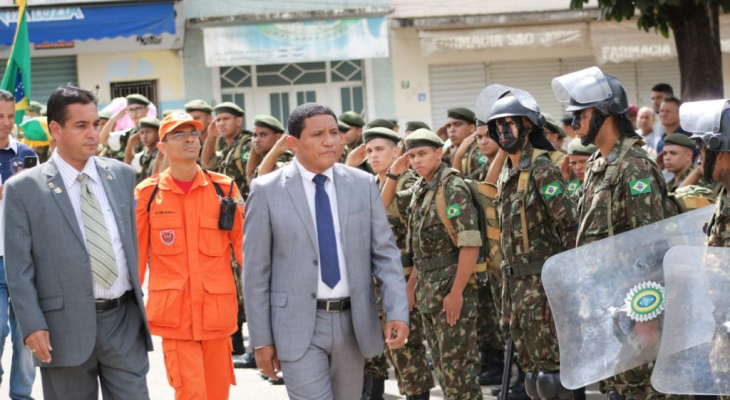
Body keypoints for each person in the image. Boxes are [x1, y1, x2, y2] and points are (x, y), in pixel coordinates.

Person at [243, 103, 408, 399]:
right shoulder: (267, 190)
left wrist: (397, 311)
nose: (330, 141)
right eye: (318, 134)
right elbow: (255, 273)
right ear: (293, 143)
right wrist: (261, 340)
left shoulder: (362, 184)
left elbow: (385, 254)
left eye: (334, 132)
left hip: (353, 322)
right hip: (296, 325)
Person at [4, 85, 152, 399]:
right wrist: (32, 325)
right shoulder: (24, 189)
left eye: (95, 124)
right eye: (81, 126)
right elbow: (18, 269)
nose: (92, 134)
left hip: (122, 322)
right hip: (62, 329)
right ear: (55, 129)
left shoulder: (122, 175)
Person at [553, 67, 676, 400]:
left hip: (635, 308)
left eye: (581, 113)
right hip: (607, 306)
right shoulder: (597, 163)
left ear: (605, 114)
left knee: (640, 391)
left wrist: (647, 318)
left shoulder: (635, 166)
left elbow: (652, 244)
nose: (574, 120)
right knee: (617, 391)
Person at [135, 112, 242, 399]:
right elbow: (136, 256)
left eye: (193, 133)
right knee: (191, 393)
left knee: (217, 393)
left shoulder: (225, 189)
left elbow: (247, 249)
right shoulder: (147, 194)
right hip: (175, 317)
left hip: (216, 314)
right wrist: (130, 308)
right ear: (162, 147)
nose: (189, 139)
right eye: (179, 134)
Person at [487, 89, 578, 400]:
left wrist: (561, 291)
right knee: (531, 375)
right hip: (515, 287)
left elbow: (569, 226)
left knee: (553, 374)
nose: (502, 131)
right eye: (497, 126)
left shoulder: (542, 169)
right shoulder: (508, 174)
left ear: (528, 126)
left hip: (542, 286)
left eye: (509, 123)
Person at [382, 128, 483, 400]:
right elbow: (382, 207)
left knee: (459, 373)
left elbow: (470, 243)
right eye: (412, 155)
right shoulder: (421, 189)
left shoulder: (452, 187)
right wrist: (394, 173)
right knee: (443, 369)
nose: (416, 160)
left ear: (439, 153)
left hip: (451, 289)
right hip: (428, 291)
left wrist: (457, 292)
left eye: (423, 154)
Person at [361, 127, 434, 400]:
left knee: (406, 352)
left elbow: (421, 241)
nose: (373, 155)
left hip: (402, 279)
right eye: (369, 150)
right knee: (375, 354)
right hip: (376, 281)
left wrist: (411, 284)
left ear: (396, 152)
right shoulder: (372, 185)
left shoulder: (409, 184)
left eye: (380, 149)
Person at [0, 89, 37, 400]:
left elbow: (37, 202)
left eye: (10, 116)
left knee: (28, 333)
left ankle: (21, 394)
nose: (5, 122)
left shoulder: (26, 155)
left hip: (24, 256)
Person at [202, 102, 251, 198]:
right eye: (218, 120)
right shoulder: (227, 148)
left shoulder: (246, 145)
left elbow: (252, 178)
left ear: (238, 121)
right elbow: (207, 163)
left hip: (246, 207)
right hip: (231, 208)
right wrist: (211, 136)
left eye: (226, 119)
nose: (221, 123)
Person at [99, 94, 151, 161]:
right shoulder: (128, 133)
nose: (134, 113)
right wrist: (113, 118)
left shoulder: (155, 130)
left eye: (138, 109)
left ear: (146, 110)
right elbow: (103, 139)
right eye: (131, 109)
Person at [124, 117, 160, 185]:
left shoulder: (162, 153)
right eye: (142, 133)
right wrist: (130, 144)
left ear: (158, 133)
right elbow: (128, 164)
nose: (144, 136)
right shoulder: (146, 155)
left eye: (149, 132)